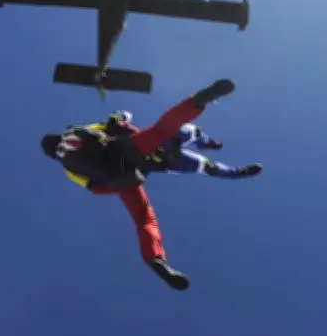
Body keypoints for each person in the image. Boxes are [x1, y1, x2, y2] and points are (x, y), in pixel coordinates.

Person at [40, 78, 239, 291]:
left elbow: (94, 187)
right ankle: (200, 100)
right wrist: (123, 119)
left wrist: (123, 183)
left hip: (119, 177)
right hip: (125, 149)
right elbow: (115, 122)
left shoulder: (68, 168)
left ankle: (156, 260)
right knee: (162, 130)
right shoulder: (77, 131)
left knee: (144, 219)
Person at [101, 110, 263, 179]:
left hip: (158, 142)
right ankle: (237, 173)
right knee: (207, 166)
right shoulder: (130, 166)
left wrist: (118, 117)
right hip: (166, 159)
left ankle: (204, 142)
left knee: (191, 131)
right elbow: (137, 177)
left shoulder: (112, 130)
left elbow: (125, 116)